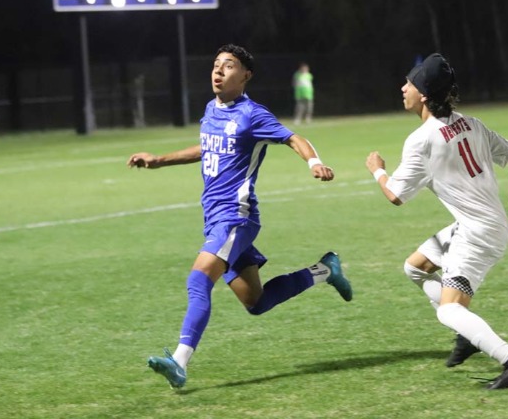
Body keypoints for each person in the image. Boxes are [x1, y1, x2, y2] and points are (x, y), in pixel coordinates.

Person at [128, 44, 352, 389]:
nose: (218, 71)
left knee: (198, 280)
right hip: (214, 217)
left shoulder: (252, 115)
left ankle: (179, 362)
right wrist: (159, 160)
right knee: (255, 302)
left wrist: (314, 162)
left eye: (228, 66)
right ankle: (324, 270)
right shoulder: (211, 109)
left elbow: (294, 138)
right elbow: (206, 147)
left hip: (236, 217)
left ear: (246, 75)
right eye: (216, 64)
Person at [365, 53, 508, 390]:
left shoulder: (422, 140)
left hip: (476, 234)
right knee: (415, 267)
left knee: (448, 310)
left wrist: (377, 170)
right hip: (483, 224)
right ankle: (467, 334)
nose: (403, 88)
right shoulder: (472, 123)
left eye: (410, 83)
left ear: (424, 95)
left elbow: (395, 195)